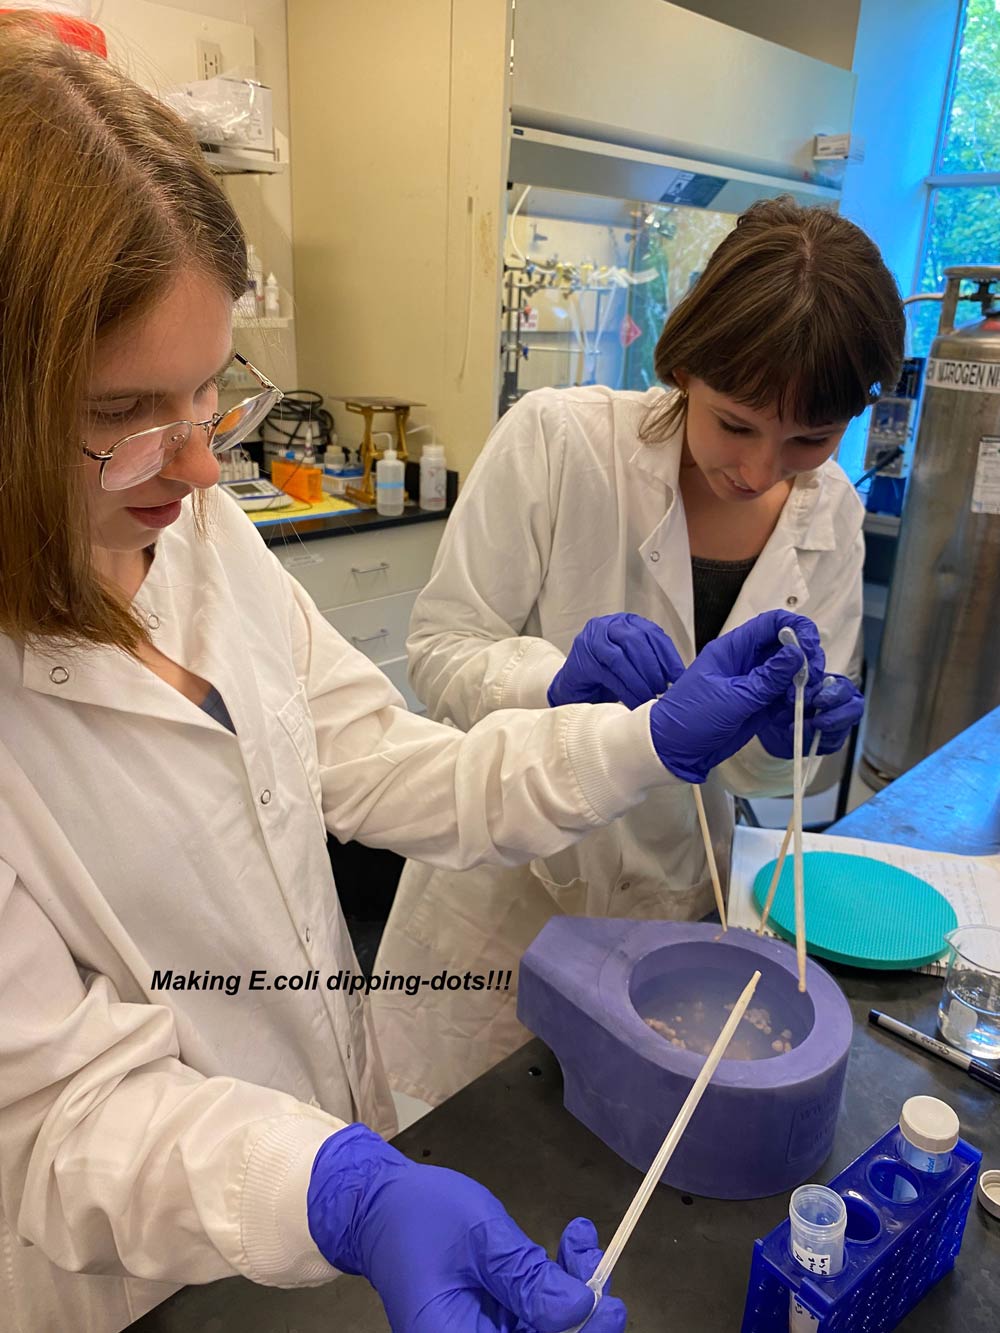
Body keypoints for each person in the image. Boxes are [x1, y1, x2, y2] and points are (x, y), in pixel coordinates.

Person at [0, 20, 832, 1333]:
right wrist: (337, 1190)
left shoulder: (197, 535)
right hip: (142, 1282)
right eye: (123, 415)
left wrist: (646, 741)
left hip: (319, 1166)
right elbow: (58, 1122)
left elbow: (380, 759)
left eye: (209, 394)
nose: (204, 466)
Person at [373, 196, 903, 1107]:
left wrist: (786, 742)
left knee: (631, 1155)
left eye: (810, 440)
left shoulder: (835, 517)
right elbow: (440, 652)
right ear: (684, 365)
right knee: (460, 1143)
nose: (759, 470)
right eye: (736, 423)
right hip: (502, 896)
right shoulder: (558, 441)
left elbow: (764, 780)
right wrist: (555, 681)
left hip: (672, 905)